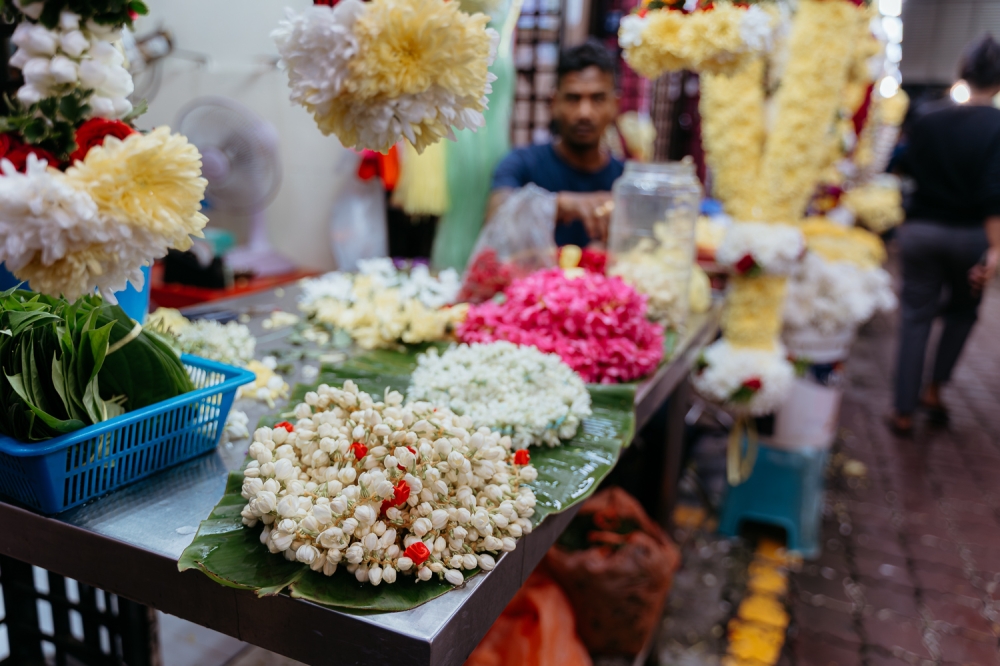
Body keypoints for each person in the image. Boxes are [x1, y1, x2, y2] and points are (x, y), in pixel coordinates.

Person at [888, 35, 1000, 436]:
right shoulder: (997, 126)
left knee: (914, 318)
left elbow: (898, 165)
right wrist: (997, 248)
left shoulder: (927, 116)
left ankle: (902, 411)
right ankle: (933, 391)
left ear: (961, 72)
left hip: (920, 232)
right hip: (970, 238)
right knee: (962, 314)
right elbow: (993, 191)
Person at [489, 39, 622, 247]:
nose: (584, 113)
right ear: (553, 103)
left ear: (615, 105)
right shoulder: (522, 164)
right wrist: (560, 205)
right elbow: (495, 218)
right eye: (573, 98)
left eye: (597, 98)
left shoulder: (624, 180)